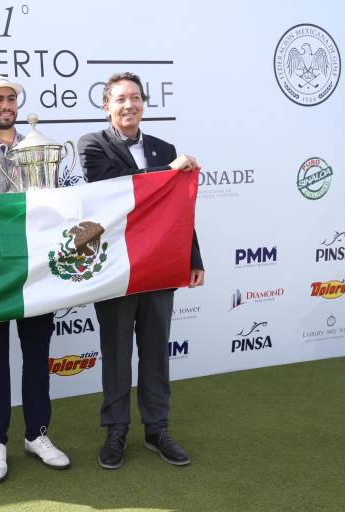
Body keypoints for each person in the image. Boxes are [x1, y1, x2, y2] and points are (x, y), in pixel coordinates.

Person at [78, 72, 205, 469]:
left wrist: (192, 258)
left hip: (161, 266)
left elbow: (178, 208)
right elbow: (112, 188)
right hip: (115, 269)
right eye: (120, 99)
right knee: (116, 353)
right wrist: (167, 170)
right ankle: (116, 431)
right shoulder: (92, 145)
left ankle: (157, 430)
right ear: (107, 106)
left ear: (143, 103)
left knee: (155, 351)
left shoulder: (163, 146)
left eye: (135, 98)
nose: (129, 105)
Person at [0, 75, 70, 482]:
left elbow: (54, 209)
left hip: (38, 272)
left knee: (38, 357)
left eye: (11, 99)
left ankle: (37, 434)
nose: (6, 105)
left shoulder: (37, 149)